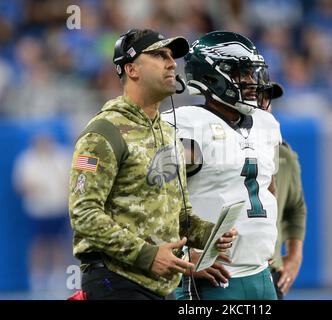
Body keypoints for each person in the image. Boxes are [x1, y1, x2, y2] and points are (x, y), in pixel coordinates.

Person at [68, 29, 236, 300]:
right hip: (116, 282)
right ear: (131, 69)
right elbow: (84, 214)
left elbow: (177, 216)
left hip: (161, 284)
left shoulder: (168, 132)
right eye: (160, 55)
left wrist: (209, 235)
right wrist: (148, 256)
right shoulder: (103, 131)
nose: (172, 63)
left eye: (172, 56)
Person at [162, 31, 281, 300]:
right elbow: (154, 201)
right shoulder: (187, 124)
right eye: (242, 74)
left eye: (252, 74)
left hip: (261, 271)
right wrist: (180, 254)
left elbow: (268, 190)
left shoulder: (266, 124)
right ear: (212, 76)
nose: (252, 82)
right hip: (215, 277)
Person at [262, 82, 307, 300]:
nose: (263, 104)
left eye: (266, 99)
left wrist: (294, 256)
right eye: (254, 96)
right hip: (225, 274)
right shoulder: (216, 150)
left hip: (270, 274)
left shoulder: (283, 155)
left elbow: (295, 207)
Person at [13, 132, 72, 290]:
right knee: (38, 243)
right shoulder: (26, 159)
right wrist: (33, 187)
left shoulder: (62, 156)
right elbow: (20, 185)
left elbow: (70, 181)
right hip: (37, 210)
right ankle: (37, 277)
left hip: (58, 208)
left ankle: (58, 276)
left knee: (58, 242)